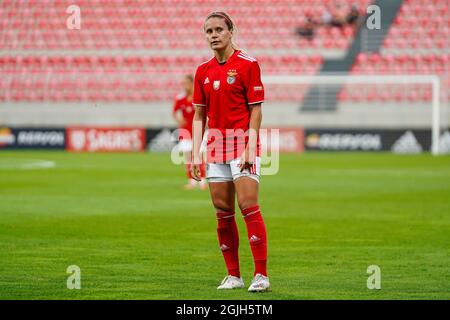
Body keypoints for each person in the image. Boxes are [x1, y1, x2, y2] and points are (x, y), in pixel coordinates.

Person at [190, 11, 270, 292]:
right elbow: (199, 115)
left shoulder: (248, 64)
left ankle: (261, 275)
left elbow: (255, 109)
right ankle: (234, 275)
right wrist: (195, 152)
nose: (213, 35)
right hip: (214, 147)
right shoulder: (203, 71)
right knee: (222, 212)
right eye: (208, 31)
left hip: (242, 145)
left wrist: (250, 146)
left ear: (230, 31)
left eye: (218, 30)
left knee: (248, 206)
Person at [172, 74, 207, 190]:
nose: (185, 86)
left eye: (187, 83)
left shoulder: (198, 97)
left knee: (200, 157)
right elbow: (174, 112)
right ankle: (191, 181)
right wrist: (179, 120)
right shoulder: (180, 98)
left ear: (192, 84)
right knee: (188, 158)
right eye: (184, 84)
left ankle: (202, 181)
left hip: (199, 132)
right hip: (186, 132)